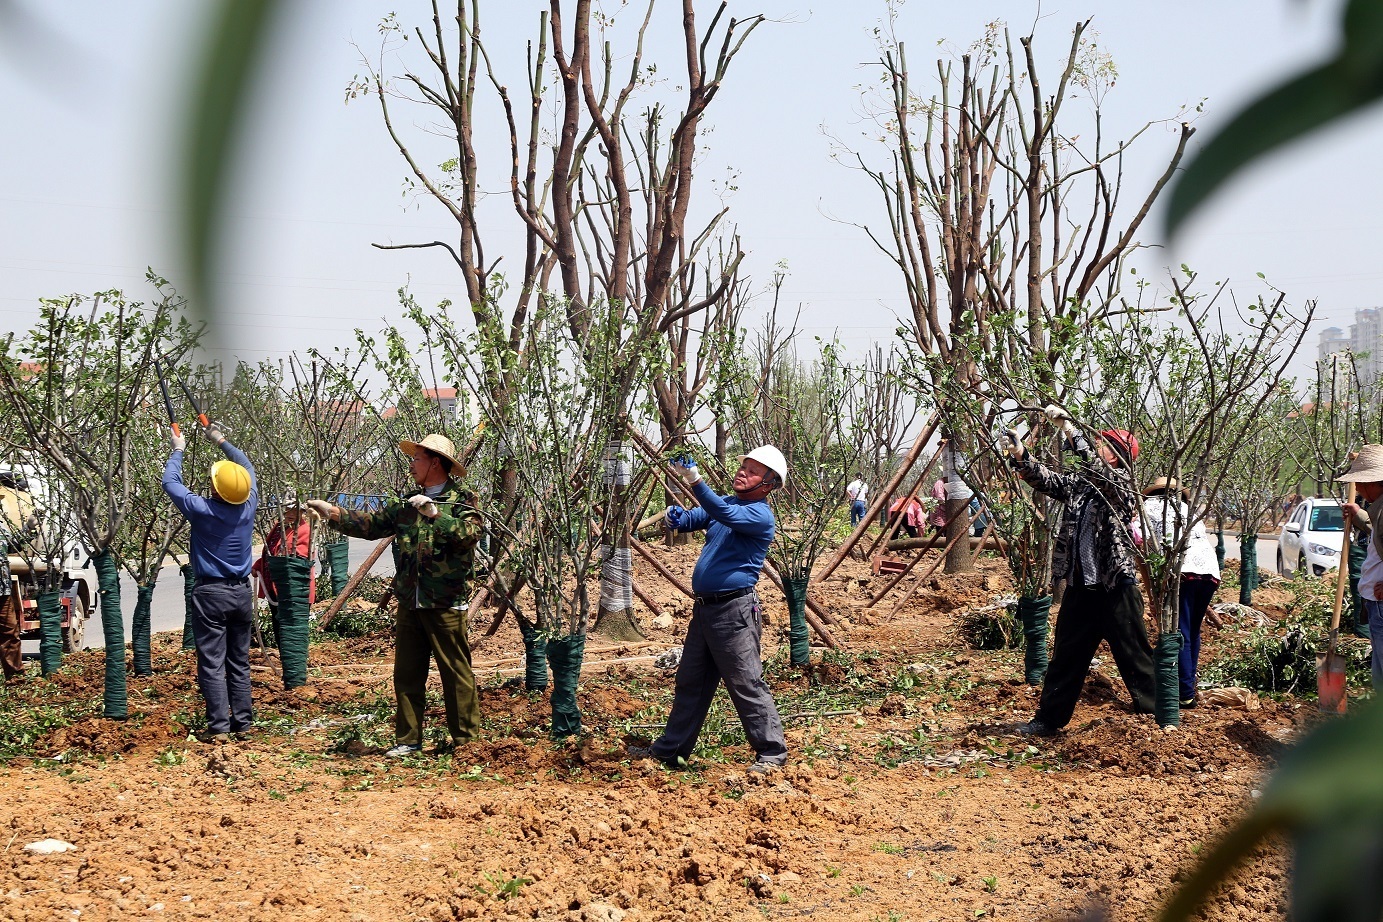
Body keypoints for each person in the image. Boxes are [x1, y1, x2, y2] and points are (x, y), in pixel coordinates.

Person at [307, 433, 483, 757]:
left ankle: (466, 742)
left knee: (456, 672)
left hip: (445, 601)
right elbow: (371, 524)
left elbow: (470, 536)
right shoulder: (406, 504)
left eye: (418, 459)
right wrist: (332, 512)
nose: (412, 464)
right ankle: (409, 740)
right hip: (411, 599)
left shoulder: (462, 500)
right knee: (407, 674)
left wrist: (436, 515)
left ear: (435, 462)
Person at [1004, 405, 1156, 737]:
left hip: (1115, 586)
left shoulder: (1122, 486)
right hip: (1081, 589)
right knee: (1066, 657)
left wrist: (1071, 430)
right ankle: (1048, 720)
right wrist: (1021, 455)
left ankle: (1156, 715)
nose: (1097, 447)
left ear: (1115, 457)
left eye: (1104, 445)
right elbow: (1048, 480)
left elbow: (1100, 472)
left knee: (1135, 656)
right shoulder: (1081, 486)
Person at [639, 446, 789, 774]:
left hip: (734, 613)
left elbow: (724, 514)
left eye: (752, 471)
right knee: (691, 681)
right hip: (706, 611)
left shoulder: (759, 515)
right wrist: (678, 517)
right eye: (743, 467)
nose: (742, 473)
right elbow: (701, 516)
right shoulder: (730, 502)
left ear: (768, 483)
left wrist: (694, 480)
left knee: (746, 682)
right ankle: (671, 752)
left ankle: (772, 753)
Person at [162, 425, 258, 744]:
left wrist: (178, 448)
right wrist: (219, 438)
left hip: (211, 594)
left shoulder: (202, 510)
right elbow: (248, 467)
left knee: (213, 662)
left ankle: (219, 727)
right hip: (243, 593)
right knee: (239, 660)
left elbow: (170, 482)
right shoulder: (248, 507)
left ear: (216, 491)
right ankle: (243, 724)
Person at [1141, 478, 1221, 708]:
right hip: (1209, 573)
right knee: (1192, 630)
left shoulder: (1149, 508)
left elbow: (1141, 547)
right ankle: (1189, 687)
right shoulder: (1188, 509)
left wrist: (1152, 592)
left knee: (1180, 631)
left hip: (1182, 571)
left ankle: (1184, 694)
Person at [1338, 446, 1383, 686]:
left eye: (1362, 483)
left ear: (1376, 482)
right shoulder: (1378, 509)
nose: (1360, 489)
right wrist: (1359, 513)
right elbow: (1378, 534)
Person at [251, 491, 316, 649]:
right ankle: (285, 664)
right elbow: (271, 552)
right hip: (275, 588)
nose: (290, 513)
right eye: (286, 509)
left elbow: (298, 561)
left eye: (295, 509)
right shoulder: (279, 527)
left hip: (293, 591)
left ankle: (294, 666)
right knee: (279, 628)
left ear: (302, 511)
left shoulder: (305, 531)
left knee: (291, 631)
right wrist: (259, 565)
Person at [0, 473, 40, 682]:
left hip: (2, 590)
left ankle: (15, 677)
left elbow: (14, 544)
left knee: (10, 633)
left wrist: (29, 527)